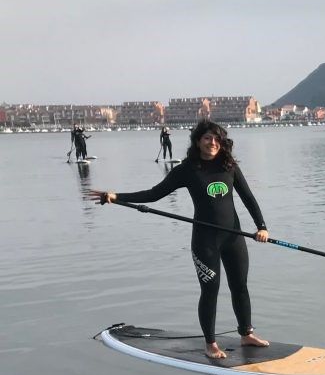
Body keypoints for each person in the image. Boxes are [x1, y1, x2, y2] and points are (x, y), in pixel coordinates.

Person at [89, 119, 270, 359]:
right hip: (205, 242)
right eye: (207, 138)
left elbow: (249, 198)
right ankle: (210, 344)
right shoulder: (187, 169)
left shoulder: (229, 166)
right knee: (210, 291)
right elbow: (153, 194)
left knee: (240, 286)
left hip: (234, 237)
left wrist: (262, 227)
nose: (212, 143)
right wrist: (115, 196)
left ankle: (246, 334)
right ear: (198, 141)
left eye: (216, 139)